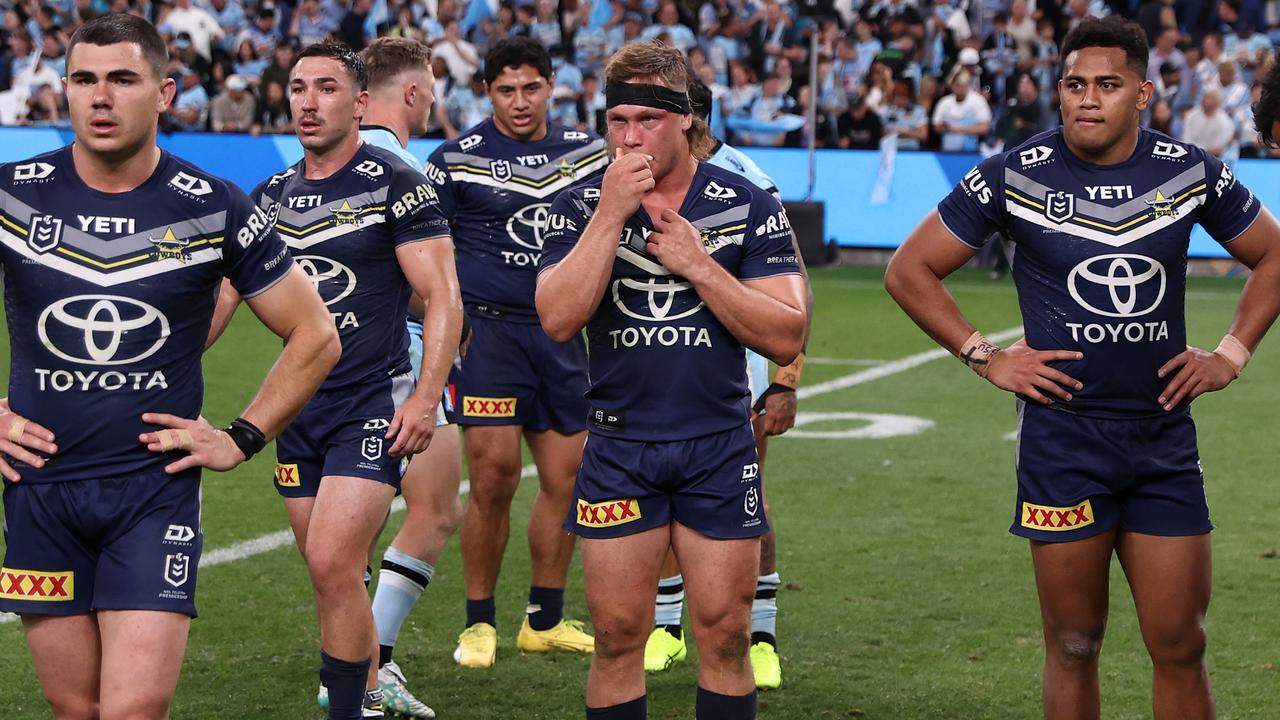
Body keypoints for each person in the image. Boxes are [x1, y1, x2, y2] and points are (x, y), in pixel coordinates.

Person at [885, 17, 1280, 720]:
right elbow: (909, 270)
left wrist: (1231, 354)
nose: (1087, 99)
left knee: (1182, 643)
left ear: (1143, 94)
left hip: (1162, 442)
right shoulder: (1012, 174)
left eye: (1107, 84)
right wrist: (987, 356)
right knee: (1072, 643)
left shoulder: (1190, 170)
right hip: (1063, 445)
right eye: (1074, 84)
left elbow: (1274, 256)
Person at [0, 13, 339, 719]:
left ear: (164, 91)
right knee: (75, 711)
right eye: (84, 79)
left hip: (152, 496)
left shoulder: (214, 205)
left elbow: (315, 333)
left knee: (131, 711)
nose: (100, 97)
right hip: (39, 493)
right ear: (62, 89)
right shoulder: (13, 193)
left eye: (122, 79)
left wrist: (242, 436)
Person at [535, 40, 808, 720]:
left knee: (725, 634)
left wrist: (700, 264)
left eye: (647, 121)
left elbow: (785, 333)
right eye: (617, 121)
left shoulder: (744, 203)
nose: (630, 138)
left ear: (685, 117)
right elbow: (559, 319)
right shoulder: (578, 203)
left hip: (718, 442)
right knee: (619, 638)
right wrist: (607, 214)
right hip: (620, 449)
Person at [210, 41, 464, 720]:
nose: (308, 102)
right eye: (297, 88)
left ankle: (354, 708)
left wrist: (424, 395)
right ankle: (367, 687)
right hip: (296, 410)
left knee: (330, 558)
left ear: (358, 103)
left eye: (325, 88)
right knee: (335, 577)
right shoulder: (268, 197)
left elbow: (443, 296)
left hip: (369, 403)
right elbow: (222, 303)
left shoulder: (396, 183)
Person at [423, 36, 607, 669]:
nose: (520, 101)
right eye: (506, 90)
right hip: (491, 337)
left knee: (569, 479)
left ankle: (544, 619)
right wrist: (442, 325)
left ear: (552, 85)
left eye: (532, 88)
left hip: (564, 336)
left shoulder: (590, 153)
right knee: (494, 478)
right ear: (487, 92)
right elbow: (425, 254)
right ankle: (479, 622)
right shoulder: (455, 159)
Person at [641, 71, 809, 692]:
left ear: (692, 119)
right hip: (653, 372)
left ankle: (760, 633)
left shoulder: (749, 183)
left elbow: (794, 292)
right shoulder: (625, 180)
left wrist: (785, 380)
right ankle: (665, 626)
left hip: (736, 373)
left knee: (748, 499)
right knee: (655, 500)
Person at [355, 35, 457, 719]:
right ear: (415, 94)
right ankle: (373, 663)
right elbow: (423, 291)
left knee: (347, 531)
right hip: (402, 358)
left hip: (326, 364)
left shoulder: (327, 162)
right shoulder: (402, 171)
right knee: (436, 508)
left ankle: (349, 667)